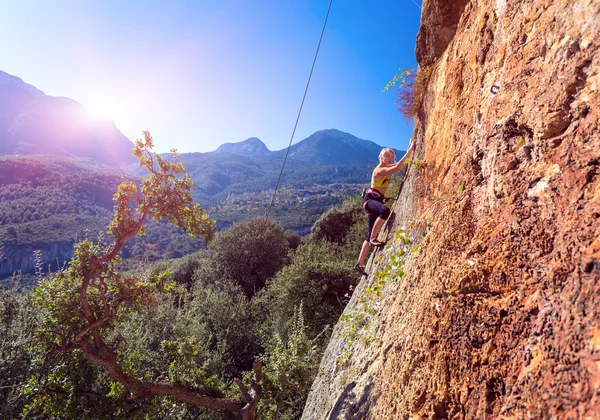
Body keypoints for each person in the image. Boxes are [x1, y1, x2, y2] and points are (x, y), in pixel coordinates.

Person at [354, 142, 414, 276]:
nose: (390, 159)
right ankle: (374, 237)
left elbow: (397, 165)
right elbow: (398, 167)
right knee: (385, 211)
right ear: (381, 157)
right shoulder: (379, 169)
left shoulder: (386, 167)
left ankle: (360, 264)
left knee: (368, 235)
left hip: (376, 200)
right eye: (387, 156)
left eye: (391, 157)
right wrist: (410, 150)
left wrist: (408, 153)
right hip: (370, 201)